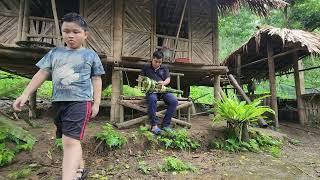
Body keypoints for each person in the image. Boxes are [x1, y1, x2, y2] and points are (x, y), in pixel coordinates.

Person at [12, 13, 105, 180]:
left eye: (76, 32)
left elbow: (97, 79)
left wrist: (96, 103)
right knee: (71, 139)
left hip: (80, 102)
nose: (70, 35)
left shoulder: (90, 55)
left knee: (69, 142)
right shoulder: (55, 53)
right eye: (66, 31)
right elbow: (41, 73)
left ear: (85, 34)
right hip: (58, 103)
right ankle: (80, 170)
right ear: (62, 32)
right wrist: (25, 94)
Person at [140, 50, 178, 134]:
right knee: (152, 99)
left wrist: (163, 83)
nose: (157, 64)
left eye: (159, 62)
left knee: (174, 101)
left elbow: (168, 79)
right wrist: (147, 82)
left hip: (163, 90)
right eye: (156, 61)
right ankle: (154, 126)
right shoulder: (146, 67)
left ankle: (165, 125)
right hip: (151, 91)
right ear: (152, 59)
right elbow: (140, 78)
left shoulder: (164, 68)